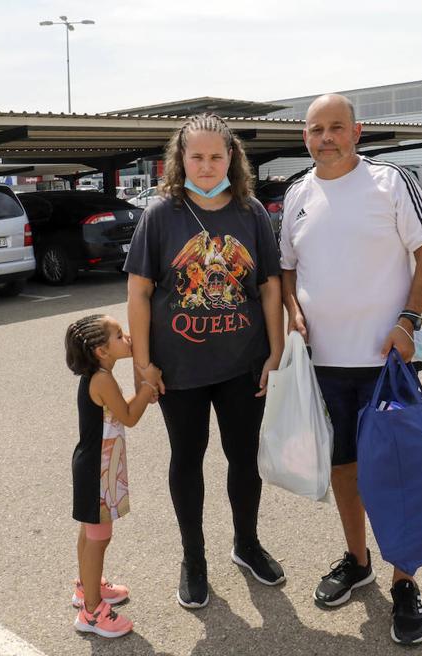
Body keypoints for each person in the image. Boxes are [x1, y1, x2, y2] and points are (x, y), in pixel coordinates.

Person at [279, 94, 422, 645]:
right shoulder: (297, 193)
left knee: (396, 474)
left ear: (357, 132)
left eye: (335, 128)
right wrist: (294, 310)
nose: (324, 137)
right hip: (324, 367)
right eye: (314, 129)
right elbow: (287, 269)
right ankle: (358, 559)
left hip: (385, 365)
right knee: (344, 469)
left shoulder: (391, 183)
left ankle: (405, 581)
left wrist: (407, 322)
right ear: (305, 136)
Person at [124, 113, 286, 610]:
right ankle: (194, 559)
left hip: (243, 363)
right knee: (187, 461)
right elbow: (139, 292)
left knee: (244, 459)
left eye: (217, 156)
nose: (208, 165)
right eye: (197, 156)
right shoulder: (161, 214)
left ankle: (246, 544)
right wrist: (143, 367)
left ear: (232, 158)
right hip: (180, 371)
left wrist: (276, 349)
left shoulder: (251, 211)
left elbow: (268, 284)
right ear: (180, 159)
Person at [65, 314, 157, 638]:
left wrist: (143, 392)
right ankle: (91, 613)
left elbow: (121, 411)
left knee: (91, 534)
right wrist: (148, 387)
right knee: (99, 538)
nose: (128, 337)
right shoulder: (101, 380)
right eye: (119, 335)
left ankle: (85, 588)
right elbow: (129, 416)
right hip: (96, 470)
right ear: (102, 350)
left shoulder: (100, 374)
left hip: (95, 465)